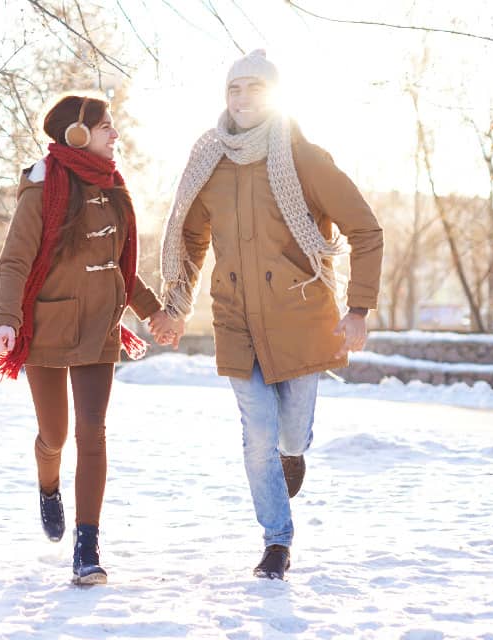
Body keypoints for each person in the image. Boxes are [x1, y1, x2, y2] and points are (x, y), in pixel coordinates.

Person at [149, 50, 384, 580]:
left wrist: (359, 309)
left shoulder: (306, 159)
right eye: (234, 89)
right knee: (256, 432)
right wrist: (175, 304)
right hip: (235, 319)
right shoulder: (210, 162)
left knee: (290, 432)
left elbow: (366, 230)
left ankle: (294, 452)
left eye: (255, 87)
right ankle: (277, 540)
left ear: (274, 94)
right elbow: (188, 238)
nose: (243, 97)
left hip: (301, 318)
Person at [0, 93, 174, 585]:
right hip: (46, 326)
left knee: (93, 432)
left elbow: (123, 268)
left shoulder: (116, 189)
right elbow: (15, 262)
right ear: (78, 134)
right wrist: (5, 320)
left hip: (100, 327)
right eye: (107, 127)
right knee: (56, 436)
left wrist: (154, 312)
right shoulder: (42, 190)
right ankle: (48, 486)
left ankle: (87, 545)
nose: (115, 135)